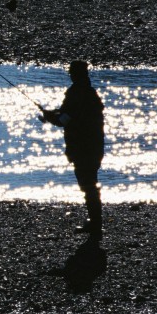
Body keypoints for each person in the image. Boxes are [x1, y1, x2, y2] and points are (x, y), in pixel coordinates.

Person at [39, 60, 105, 239]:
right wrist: (52, 115)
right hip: (95, 147)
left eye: (71, 72)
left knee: (87, 185)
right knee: (90, 184)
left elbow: (64, 119)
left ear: (75, 74)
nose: (69, 74)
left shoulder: (76, 93)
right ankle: (95, 223)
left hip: (82, 148)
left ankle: (95, 225)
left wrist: (50, 118)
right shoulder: (90, 93)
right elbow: (67, 113)